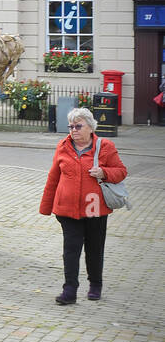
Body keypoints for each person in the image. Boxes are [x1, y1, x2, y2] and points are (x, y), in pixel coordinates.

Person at [39, 106, 127, 304]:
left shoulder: (105, 147)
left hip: (94, 207)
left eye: (78, 126)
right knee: (71, 250)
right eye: (71, 126)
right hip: (67, 208)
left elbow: (121, 171)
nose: (73, 130)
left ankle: (95, 284)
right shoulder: (62, 146)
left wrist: (104, 172)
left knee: (94, 249)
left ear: (90, 127)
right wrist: (46, 207)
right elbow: (53, 178)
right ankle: (69, 290)